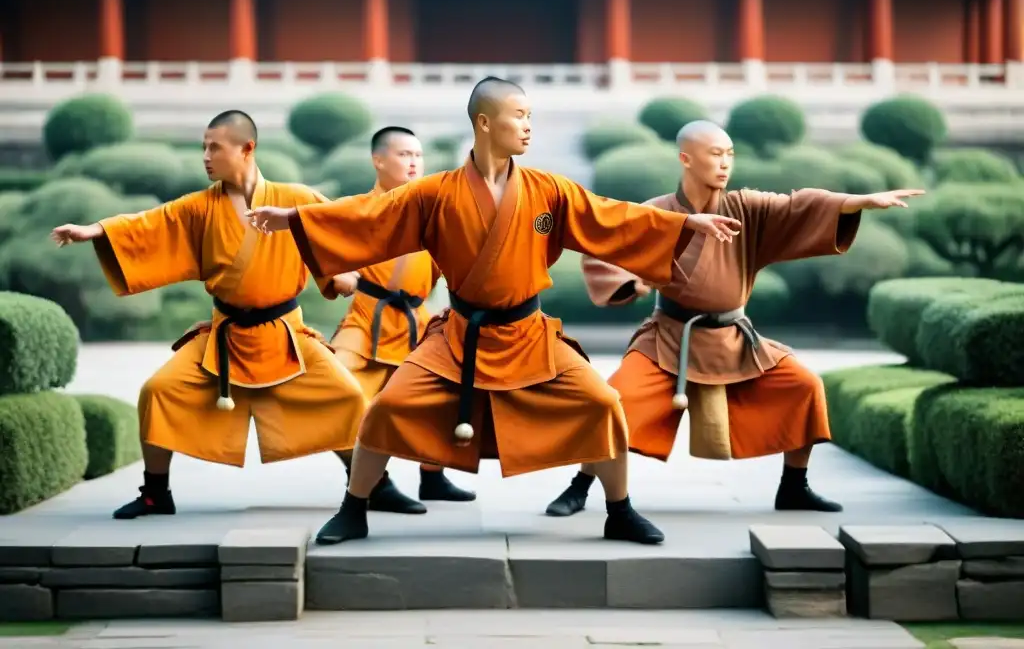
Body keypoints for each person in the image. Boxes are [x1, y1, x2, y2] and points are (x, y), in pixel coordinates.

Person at [246, 77, 743, 547]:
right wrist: (292, 218)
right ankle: (353, 507)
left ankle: (620, 510)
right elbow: (366, 217)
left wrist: (683, 224)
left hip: (529, 333)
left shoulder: (549, 190)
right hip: (460, 335)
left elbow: (610, 215)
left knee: (602, 403)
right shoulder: (434, 193)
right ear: (485, 123)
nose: (528, 125)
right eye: (519, 115)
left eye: (530, 116)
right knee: (385, 408)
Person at [543, 120, 926, 518]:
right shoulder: (658, 212)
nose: (725, 164)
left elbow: (799, 205)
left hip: (735, 339)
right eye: (715, 154)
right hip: (669, 340)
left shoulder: (746, 208)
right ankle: (580, 485)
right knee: (615, 403)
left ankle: (794, 486)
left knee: (804, 386)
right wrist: (629, 282)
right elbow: (610, 240)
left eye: (729, 155)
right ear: (685, 159)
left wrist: (857, 202)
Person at [49, 110, 421, 519]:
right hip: (224, 338)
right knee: (158, 391)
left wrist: (337, 272)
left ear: (247, 149)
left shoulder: (295, 198)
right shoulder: (199, 207)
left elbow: (333, 230)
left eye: (215, 147)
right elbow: (150, 224)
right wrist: (97, 230)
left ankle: (375, 487)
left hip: (285, 335)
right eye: (204, 147)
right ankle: (156, 493)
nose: (206, 157)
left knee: (348, 397)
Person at [328, 125, 475, 505]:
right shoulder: (356, 211)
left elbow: (455, 268)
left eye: (418, 156)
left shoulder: (436, 213)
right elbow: (321, 248)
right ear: (378, 160)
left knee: (443, 396)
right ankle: (372, 482)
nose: (413, 163)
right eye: (404, 155)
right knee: (337, 392)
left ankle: (433, 475)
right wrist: (336, 272)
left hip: (417, 322)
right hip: (366, 319)